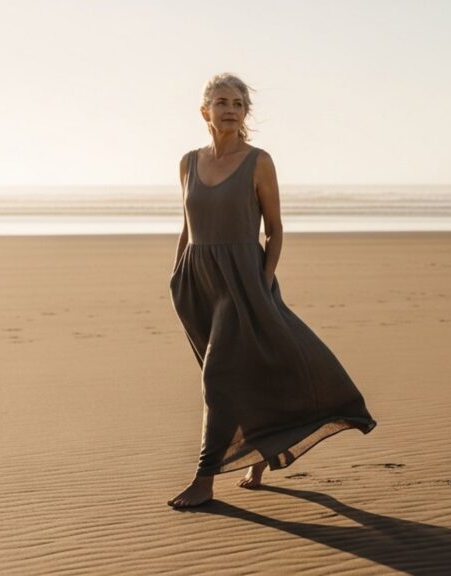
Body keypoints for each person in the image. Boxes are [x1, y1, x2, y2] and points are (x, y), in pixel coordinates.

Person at [167, 73, 377, 508]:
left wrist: (261, 284)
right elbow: (187, 225)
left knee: (218, 378)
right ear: (204, 111)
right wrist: (176, 272)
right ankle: (260, 458)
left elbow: (275, 230)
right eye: (221, 102)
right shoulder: (188, 162)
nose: (230, 109)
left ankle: (204, 479)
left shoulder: (258, 161)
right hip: (196, 281)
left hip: (243, 279)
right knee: (243, 370)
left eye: (238, 103)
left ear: (246, 112)